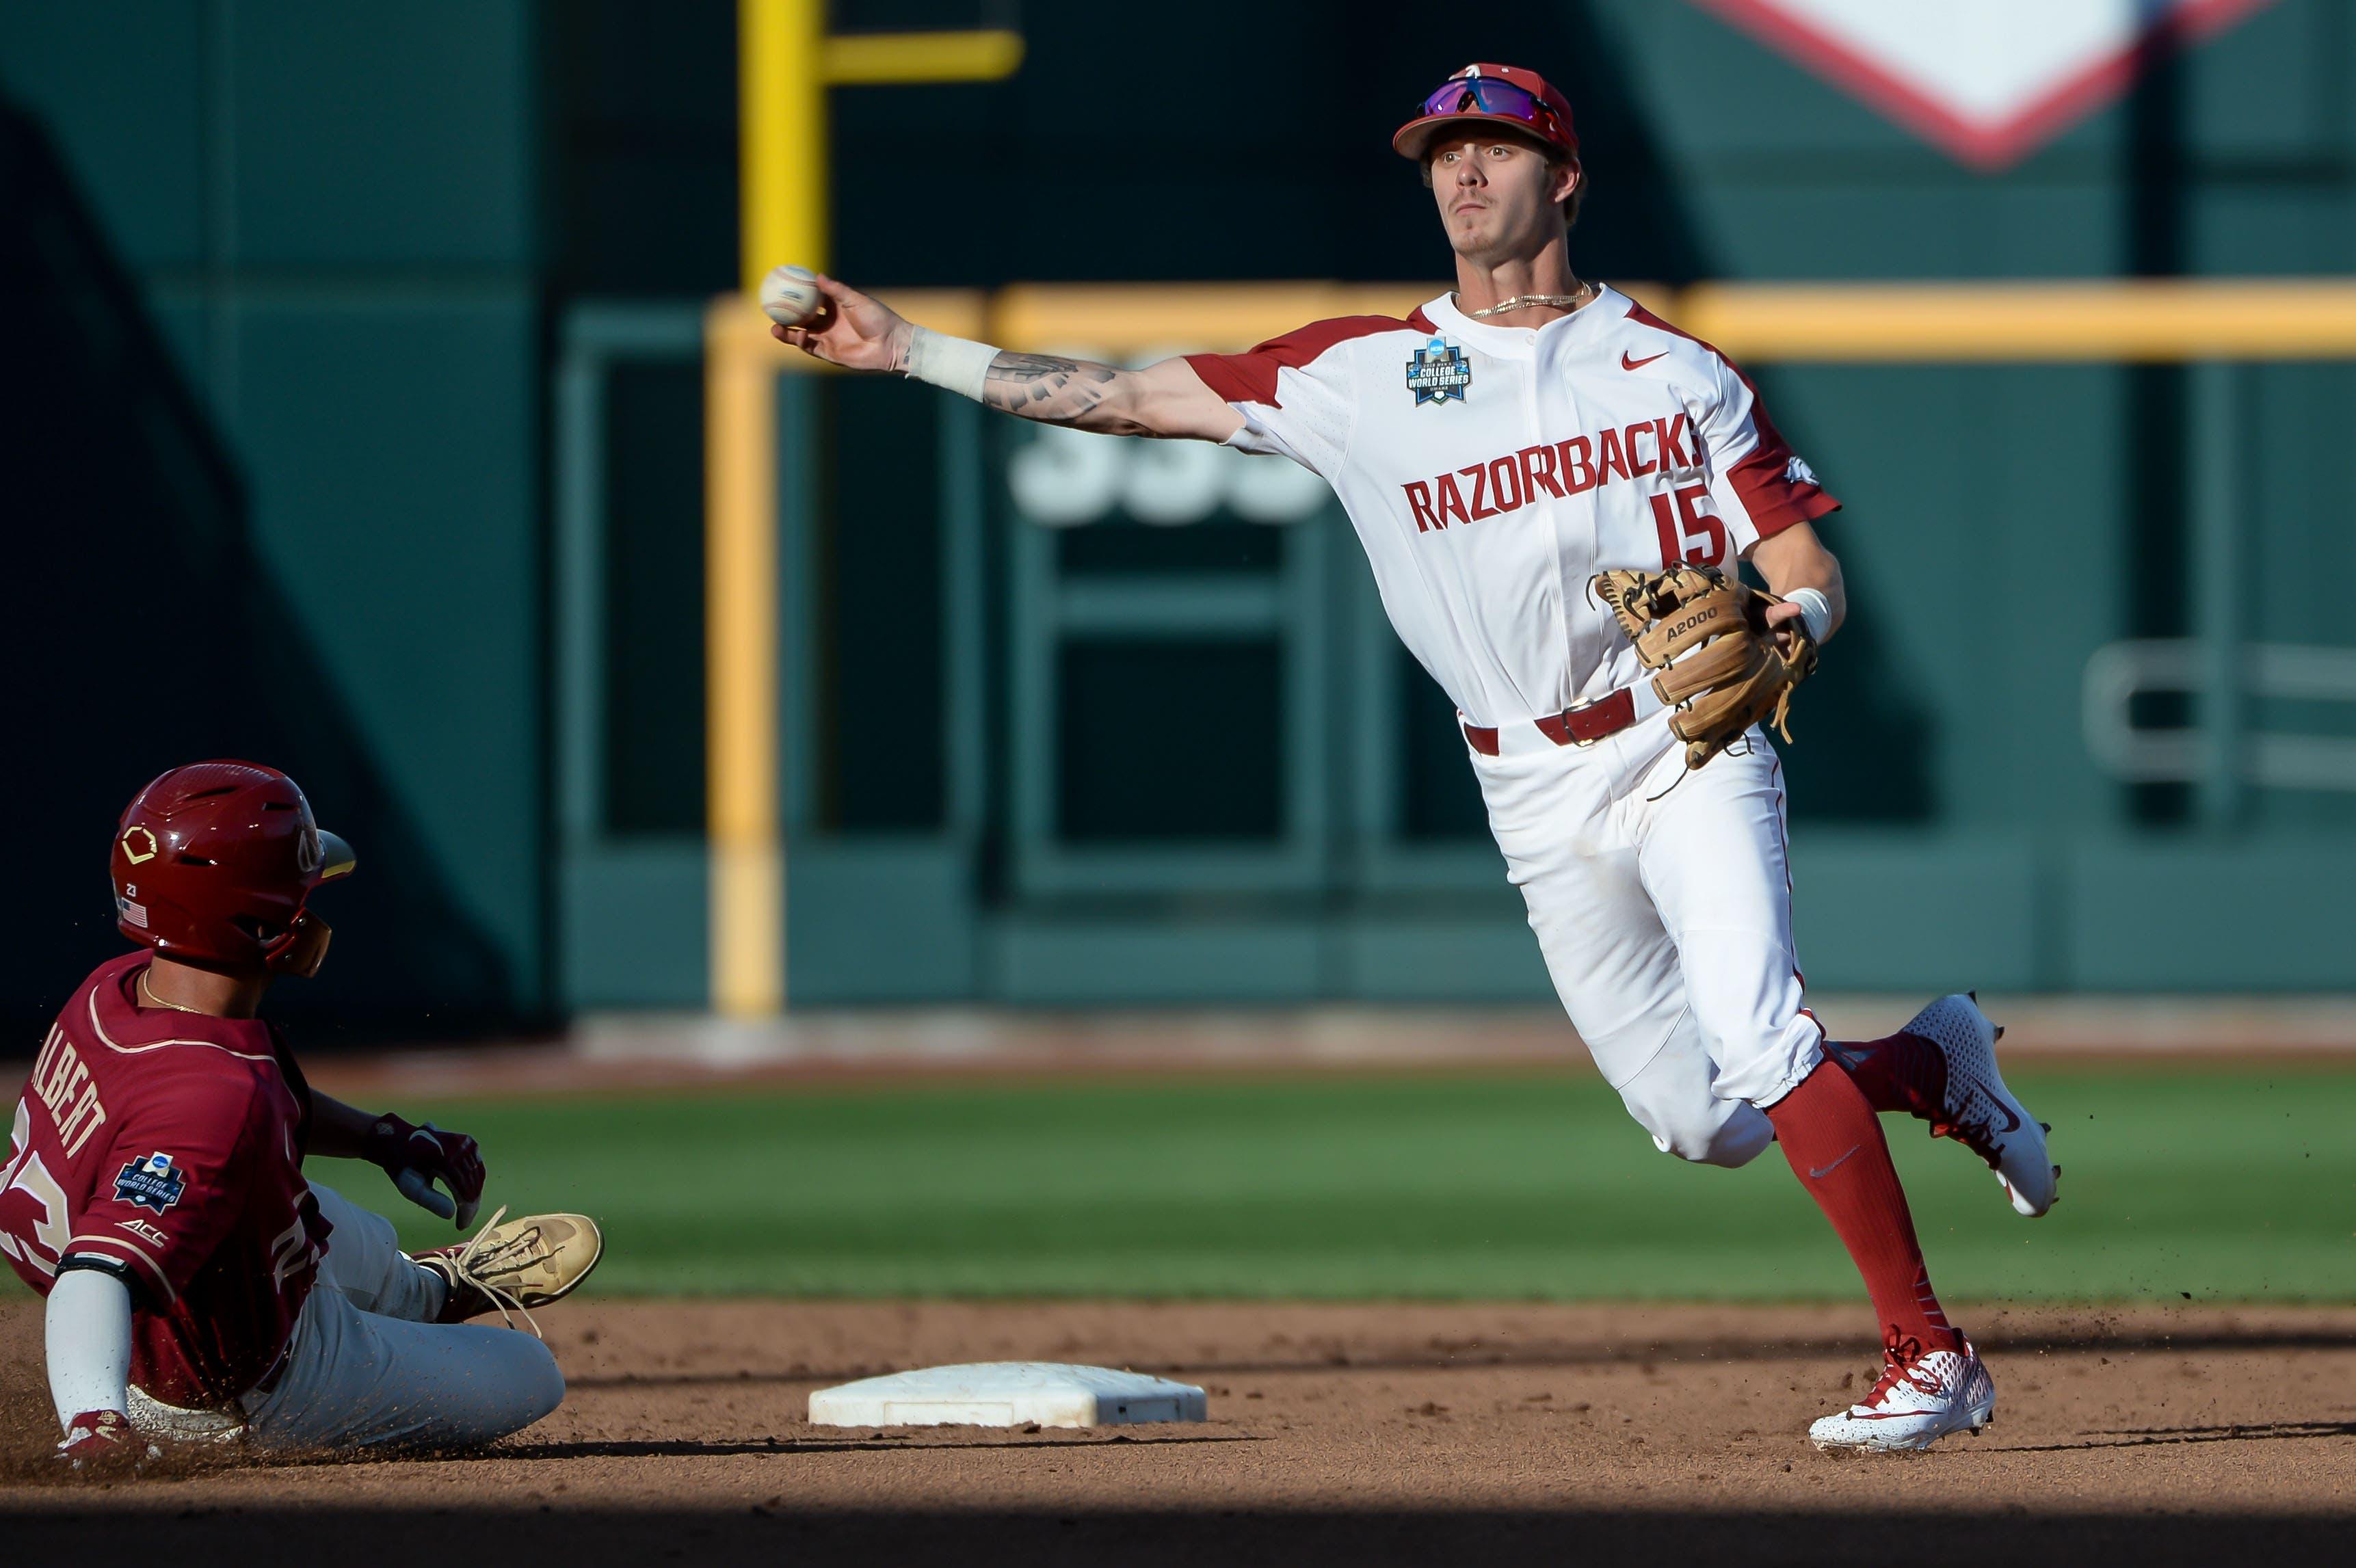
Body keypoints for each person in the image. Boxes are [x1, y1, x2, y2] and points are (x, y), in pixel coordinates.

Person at [773, 62, 2062, 1452]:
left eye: (1494, 148)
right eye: (1442, 149)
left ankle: (1931, 1355)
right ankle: (1929, 1069)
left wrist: (1789, 619)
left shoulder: (1674, 368)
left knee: (1757, 1033)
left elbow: (1804, 559)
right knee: (1704, 1119)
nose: (1460, 172)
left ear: (1562, 180)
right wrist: (908, 349)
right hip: (1527, 783)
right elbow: (1127, 398)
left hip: (1684, 740)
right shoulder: (1358, 373)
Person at [3, 760, 603, 1467]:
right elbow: (95, 1273)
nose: (311, 907)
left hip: (201, 1286)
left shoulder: (118, 989)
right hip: (235, 1385)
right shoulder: (212, 1100)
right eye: (300, 892)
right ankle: (407, 1307)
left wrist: (383, 1138)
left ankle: (429, 1287)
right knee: (532, 1373)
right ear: (260, 924)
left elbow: (240, 1117)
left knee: (335, 1221)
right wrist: (94, 1423)